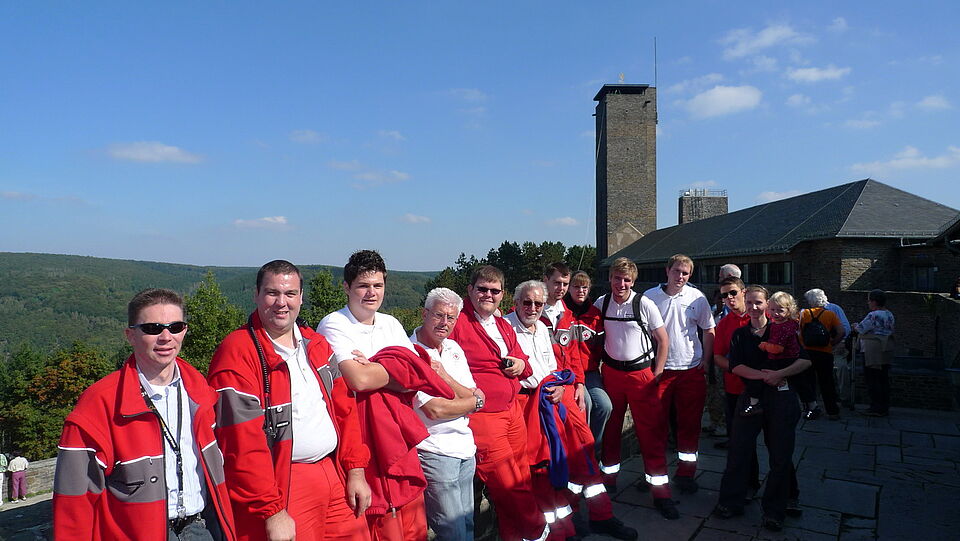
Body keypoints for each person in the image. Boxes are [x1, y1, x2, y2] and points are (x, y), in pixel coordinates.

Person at [54, 288, 236, 541]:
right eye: (152, 328)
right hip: (136, 533)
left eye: (175, 327)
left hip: (200, 528)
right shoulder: (99, 403)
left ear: (184, 331)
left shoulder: (201, 393)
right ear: (130, 335)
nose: (166, 337)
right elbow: (74, 499)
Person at [208, 260, 371, 541]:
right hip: (285, 481)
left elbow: (345, 410)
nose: (281, 302)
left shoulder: (316, 344)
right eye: (272, 293)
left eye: (290, 293)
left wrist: (356, 470)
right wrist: (272, 511)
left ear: (301, 297)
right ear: (256, 295)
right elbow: (241, 444)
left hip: (333, 472)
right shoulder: (238, 353)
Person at [506, 280, 637, 541]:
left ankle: (600, 514)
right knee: (545, 466)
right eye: (527, 302)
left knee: (583, 450)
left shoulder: (546, 325)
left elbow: (561, 360)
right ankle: (563, 527)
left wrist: (570, 383)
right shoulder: (506, 327)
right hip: (529, 404)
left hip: (556, 394)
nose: (532, 307)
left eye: (538, 303)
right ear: (516, 302)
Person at [447, 265, 547, 541]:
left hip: (512, 411)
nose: (488, 295)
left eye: (495, 290)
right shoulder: (457, 322)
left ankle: (513, 536)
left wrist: (520, 364)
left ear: (503, 294)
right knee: (508, 484)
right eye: (482, 289)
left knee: (521, 476)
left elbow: (525, 363)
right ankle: (540, 531)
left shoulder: (502, 325)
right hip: (484, 416)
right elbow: (435, 355)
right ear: (470, 290)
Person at [715, 286, 811, 532]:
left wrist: (780, 374)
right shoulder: (740, 334)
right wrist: (764, 376)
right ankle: (731, 501)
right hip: (752, 396)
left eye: (758, 302)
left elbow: (805, 360)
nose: (754, 307)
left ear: (767, 304)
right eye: (749, 303)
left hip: (781, 398)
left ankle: (776, 509)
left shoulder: (782, 328)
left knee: (780, 454)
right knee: (739, 449)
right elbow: (735, 366)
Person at [594, 257, 678, 520]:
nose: (621, 284)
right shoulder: (601, 303)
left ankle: (661, 492)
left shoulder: (644, 303)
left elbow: (663, 340)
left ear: (633, 282)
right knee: (611, 429)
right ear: (610, 278)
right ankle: (609, 479)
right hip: (611, 373)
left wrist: (658, 372)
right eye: (617, 278)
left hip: (641, 375)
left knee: (650, 433)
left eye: (627, 280)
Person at [409, 288, 483, 541]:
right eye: (438, 315)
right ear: (424, 314)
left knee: (468, 526)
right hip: (436, 452)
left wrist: (444, 377)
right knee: (452, 532)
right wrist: (471, 402)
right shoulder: (412, 352)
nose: (444, 323)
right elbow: (434, 409)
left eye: (451, 318)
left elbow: (475, 394)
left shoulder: (453, 348)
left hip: (465, 448)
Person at [644, 254, 715, 495]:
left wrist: (706, 361)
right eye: (677, 271)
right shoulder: (650, 297)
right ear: (667, 270)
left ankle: (686, 473)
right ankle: (654, 474)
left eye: (685, 273)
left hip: (690, 369)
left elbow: (709, 329)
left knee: (689, 424)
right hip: (660, 370)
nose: (680, 276)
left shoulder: (697, 298)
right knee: (656, 425)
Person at [555, 271, 609, 443]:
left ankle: (594, 448)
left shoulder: (595, 314)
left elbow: (600, 345)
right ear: (569, 288)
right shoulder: (561, 311)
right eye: (576, 287)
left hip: (590, 371)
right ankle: (581, 447)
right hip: (569, 372)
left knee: (605, 406)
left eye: (584, 287)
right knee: (584, 403)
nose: (580, 291)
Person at [743, 291, 801, 416]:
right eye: (773, 310)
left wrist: (764, 345)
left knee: (758, 379)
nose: (776, 313)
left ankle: (754, 404)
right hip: (784, 362)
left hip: (782, 360)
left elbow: (778, 349)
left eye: (780, 310)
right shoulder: (784, 324)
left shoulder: (783, 327)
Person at [798, 291, 846, 420]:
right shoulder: (830, 314)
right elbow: (842, 331)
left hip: (808, 352)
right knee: (827, 382)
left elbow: (798, 332)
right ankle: (832, 411)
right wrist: (832, 343)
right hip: (825, 352)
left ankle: (811, 409)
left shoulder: (804, 313)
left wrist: (802, 344)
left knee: (808, 382)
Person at [855, 289, 895, 417]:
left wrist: (855, 326)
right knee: (883, 378)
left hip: (872, 349)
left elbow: (861, 329)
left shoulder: (873, 315)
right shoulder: (889, 314)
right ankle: (884, 406)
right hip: (886, 348)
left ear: (874, 302)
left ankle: (876, 407)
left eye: (869, 300)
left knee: (872, 378)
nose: (868, 303)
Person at [541, 262, 571, 330]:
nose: (561, 288)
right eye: (557, 283)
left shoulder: (570, 316)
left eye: (565, 284)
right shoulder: (528, 311)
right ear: (545, 280)